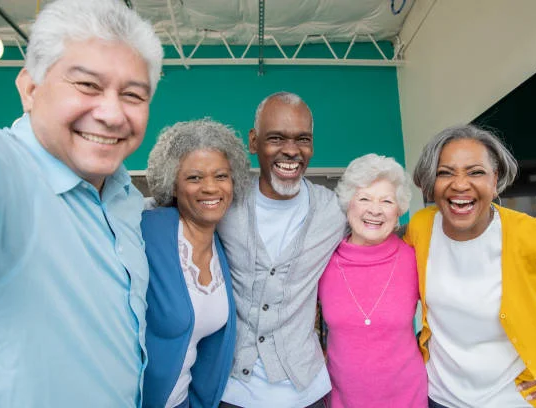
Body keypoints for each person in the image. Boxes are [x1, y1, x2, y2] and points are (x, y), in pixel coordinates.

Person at [0, 0, 163, 406]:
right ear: (30, 89)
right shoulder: (8, 171)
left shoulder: (126, 199)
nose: (112, 114)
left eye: (133, 95)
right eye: (87, 85)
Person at [404, 124, 536, 408]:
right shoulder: (421, 226)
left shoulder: (534, 238)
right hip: (438, 397)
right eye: (445, 172)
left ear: (495, 181)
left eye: (476, 172)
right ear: (430, 183)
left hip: (518, 400)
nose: (460, 184)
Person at [217, 92, 347, 408]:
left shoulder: (336, 211)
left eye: (302, 139)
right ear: (253, 141)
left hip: (307, 391)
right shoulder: (223, 202)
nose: (291, 150)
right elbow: (162, 209)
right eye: (276, 138)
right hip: (232, 391)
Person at [141, 120, 250, 408]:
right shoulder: (145, 232)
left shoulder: (222, 247)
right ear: (172, 185)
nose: (211, 188)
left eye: (221, 176)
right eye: (194, 178)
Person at [318, 153, 428, 407]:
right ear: (348, 204)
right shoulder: (323, 261)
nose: (375, 210)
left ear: (399, 209)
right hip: (342, 400)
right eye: (364, 198)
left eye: (386, 201)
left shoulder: (415, 258)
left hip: (408, 398)